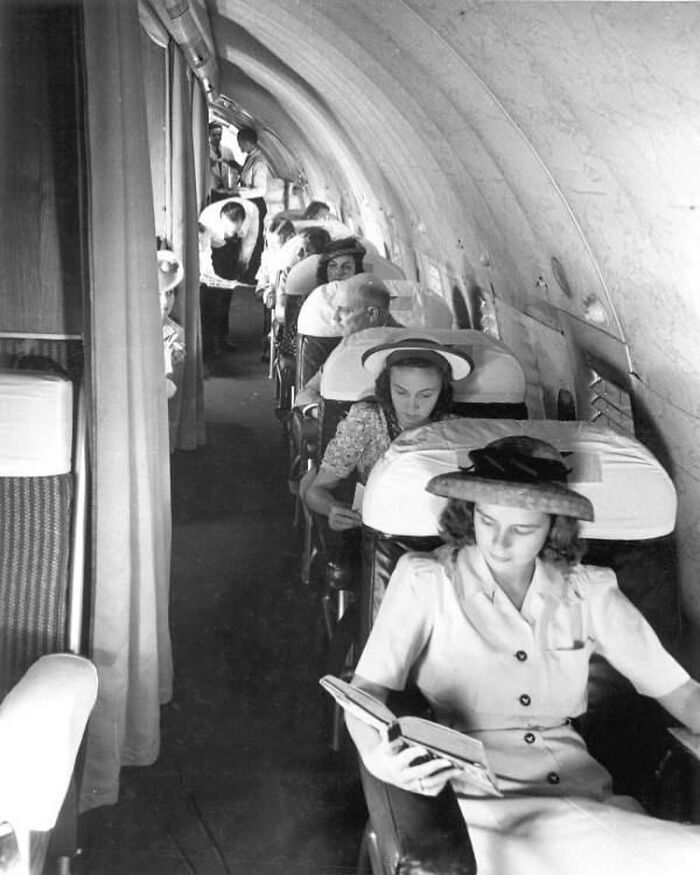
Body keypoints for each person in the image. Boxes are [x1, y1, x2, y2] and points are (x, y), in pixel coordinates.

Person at [346, 435, 700, 875]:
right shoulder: (426, 580)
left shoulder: (587, 590)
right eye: (486, 520)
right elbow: (366, 689)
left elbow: (682, 692)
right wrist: (376, 754)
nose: (498, 542)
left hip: (584, 793)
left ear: (554, 527)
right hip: (482, 801)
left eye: (522, 529)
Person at [304, 339, 472, 531]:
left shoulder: (454, 430)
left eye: (425, 395)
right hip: (375, 530)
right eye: (401, 392)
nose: (412, 406)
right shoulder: (365, 420)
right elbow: (315, 491)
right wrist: (333, 509)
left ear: (442, 391)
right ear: (387, 387)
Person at [294, 274, 403, 411]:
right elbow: (307, 391)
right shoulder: (347, 346)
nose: (335, 318)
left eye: (344, 311)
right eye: (335, 309)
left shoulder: (403, 347)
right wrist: (321, 413)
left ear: (372, 314)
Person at [199, 200, 246, 368]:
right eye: (229, 229)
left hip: (228, 256)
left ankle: (222, 340)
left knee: (225, 300)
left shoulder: (246, 223)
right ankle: (209, 351)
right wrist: (212, 278)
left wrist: (242, 261)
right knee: (210, 308)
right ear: (221, 219)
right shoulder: (208, 223)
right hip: (210, 261)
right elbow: (205, 254)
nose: (231, 232)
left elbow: (248, 240)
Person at [235, 127, 270, 282]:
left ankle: (251, 275)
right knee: (246, 239)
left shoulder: (260, 161)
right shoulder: (251, 158)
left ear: (248, 142)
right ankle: (244, 271)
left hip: (255, 204)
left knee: (254, 241)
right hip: (248, 204)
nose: (239, 146)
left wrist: (238, 193)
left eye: (240, 143)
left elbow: (261, 190)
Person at [157, 249, 185, 399]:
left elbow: (171, 389)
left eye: (170, 293)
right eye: (159, 294)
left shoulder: (174, 332)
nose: (165, 302)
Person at [208, 121, 240, 200]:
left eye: (219, 135)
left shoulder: (228, 151)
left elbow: (234, 170)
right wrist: (208, 165)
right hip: (211, 188)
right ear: (209, 135)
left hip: (226, 189)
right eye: (214, 135)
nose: (217, 138)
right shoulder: (204, 152)